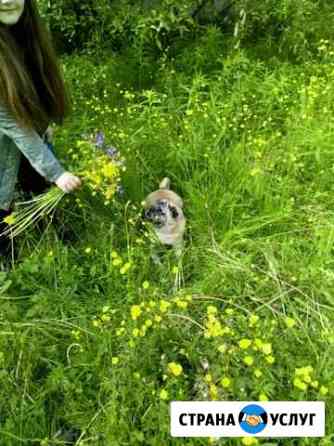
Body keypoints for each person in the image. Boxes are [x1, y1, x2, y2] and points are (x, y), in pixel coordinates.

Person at [0, 0, 81, 261]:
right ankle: (11, 275)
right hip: (6, 140)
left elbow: (31, 96)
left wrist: (44, 129)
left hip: (23, 138)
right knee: (2, 207)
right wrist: (56, 172)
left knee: (40, 186)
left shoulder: (27, 34)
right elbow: (15, 125)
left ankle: (67, 247)